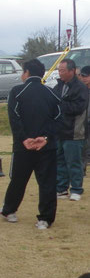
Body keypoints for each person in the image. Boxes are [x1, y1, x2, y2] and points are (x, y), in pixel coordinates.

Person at [0, 59, 61, 229]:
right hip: (46, 147)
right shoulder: (52, 93)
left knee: (18, 180)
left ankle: (9, 210)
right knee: (47, 183)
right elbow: (59, 119)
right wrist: (46, 138)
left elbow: (14, 117)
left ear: (26, 73)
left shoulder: (17, 92)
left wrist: (24, 139)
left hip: (23, 146)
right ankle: (45, 219)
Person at [52, 59, 88, 201]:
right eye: (59, 70)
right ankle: (61, 189)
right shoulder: (59, 86)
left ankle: (76, 189)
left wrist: (61, 104)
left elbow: (78, 108)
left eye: (62, 70)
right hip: (59, 131)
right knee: (59, 161)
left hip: (75, 131)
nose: (60, 73)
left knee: (74, 162)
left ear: (72, 71)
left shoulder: (80, 88)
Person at [79, 65, 90, 175]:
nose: (83, 78)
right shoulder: (81, 90)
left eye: (86, 76)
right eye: (82, 76)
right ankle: (82, 169)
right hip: (83, 122)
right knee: (83, 147)